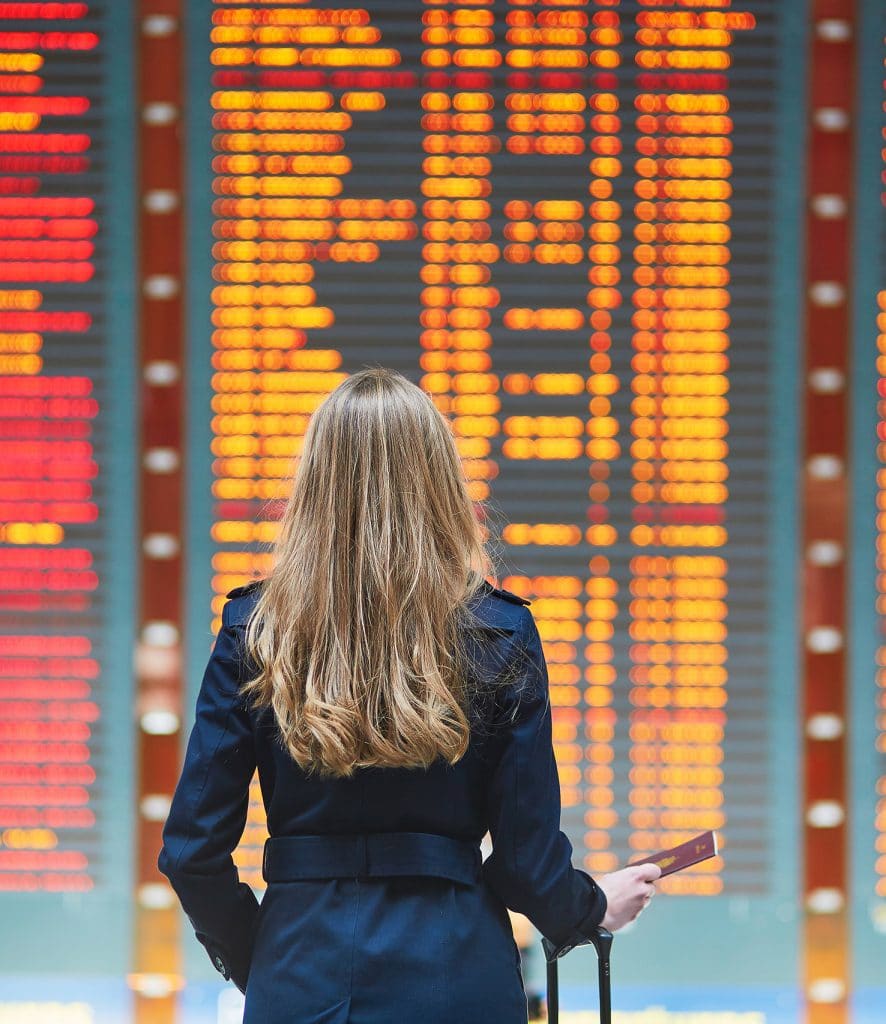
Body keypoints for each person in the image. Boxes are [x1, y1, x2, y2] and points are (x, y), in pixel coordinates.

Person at [158, 367, 660, 1024]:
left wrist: (264, 959)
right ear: (440, 484)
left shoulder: (256, 630)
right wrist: (591, 906)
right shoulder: (500, 632)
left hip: (298, 975)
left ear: (312, 487)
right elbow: (524, 860)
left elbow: (192, 851)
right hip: (458, 979)